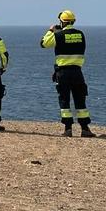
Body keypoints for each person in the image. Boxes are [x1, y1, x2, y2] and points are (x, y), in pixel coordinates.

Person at [40, 9, 92, 137]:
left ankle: (68, 129)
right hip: (77, 72)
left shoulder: (58, 35)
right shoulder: (80, 34)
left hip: (63, 72)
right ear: (73, 21)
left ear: (61, 22)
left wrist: (51, 30)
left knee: (64, 100)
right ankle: (85, 129)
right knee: (80, 100)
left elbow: (44, 44)